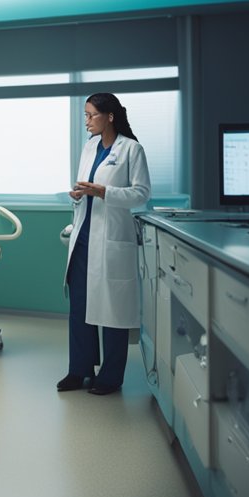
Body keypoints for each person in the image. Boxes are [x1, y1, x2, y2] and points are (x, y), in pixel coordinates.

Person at [59, 92, 151, 395]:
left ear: (109, 116)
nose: (86, 121)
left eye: (91, 115)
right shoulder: (89, 148)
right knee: (80, 306)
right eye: (84, 115)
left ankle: (110, 377)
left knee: (112, 309)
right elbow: (89, 185)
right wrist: (81, 192)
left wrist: (104, 192)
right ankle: (79, 370)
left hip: (111, 239)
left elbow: (141, 194)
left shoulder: (132, 150)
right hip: (84, 235)